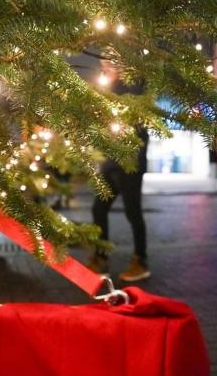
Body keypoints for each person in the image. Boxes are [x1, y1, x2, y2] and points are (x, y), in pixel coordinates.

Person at [87, 62, 151, 282]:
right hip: (110, 163)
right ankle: (101, 256)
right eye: (103, 61)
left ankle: (140, 261)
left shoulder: (133, 86)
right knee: (98, 208)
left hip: (130, 164)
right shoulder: (106, 87)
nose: (105, 66)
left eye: (110, 62)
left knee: (133, 212)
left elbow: (138, 125)